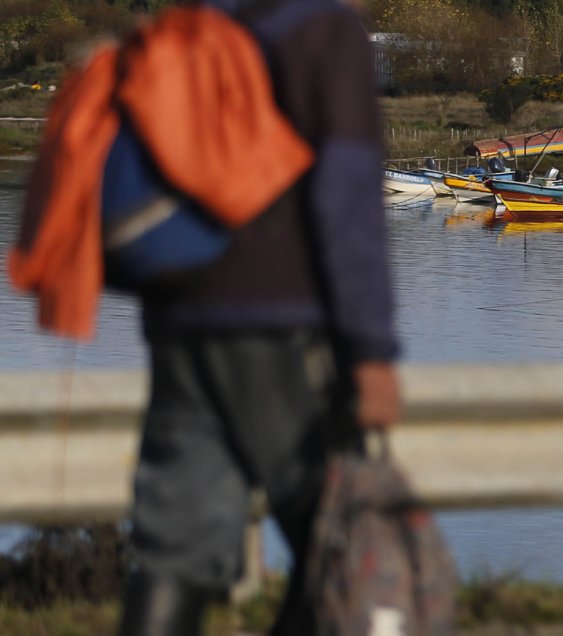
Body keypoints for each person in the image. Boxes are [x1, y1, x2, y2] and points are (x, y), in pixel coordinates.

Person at [116, 1, 400, 634]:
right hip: (280, 321)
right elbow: (347, 200)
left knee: (174, 552)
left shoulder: (194, 21)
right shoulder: (324, 30)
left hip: (179, 317)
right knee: (339, 541)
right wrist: (371, 349)